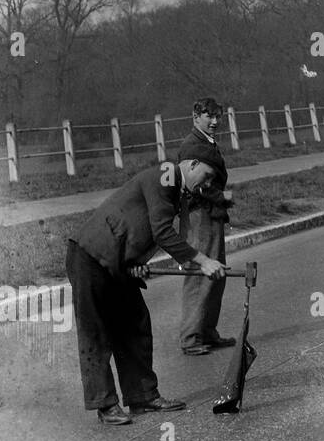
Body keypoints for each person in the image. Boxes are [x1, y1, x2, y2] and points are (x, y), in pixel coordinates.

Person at [66, 159, 228, 425]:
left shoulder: (175, 190)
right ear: (193, 164)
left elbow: (138, 227)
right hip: (90, 257)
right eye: (207, 176)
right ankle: (105, 405)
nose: (207, 183)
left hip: (116, 262)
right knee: (96, 333)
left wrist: (136, 263)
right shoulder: (167, 175)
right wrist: (204, 261)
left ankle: (142, 396)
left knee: (135, 323)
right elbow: (162, 231)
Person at [175, 98, 235, 355]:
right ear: (195, 116)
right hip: (199, 215)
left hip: (211, 215)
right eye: (209, 116)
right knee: (199, 275)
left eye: (217, 116)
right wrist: (223, 198)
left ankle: (207, 331)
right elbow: (193, 185)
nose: (214, 121)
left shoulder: (205, 142)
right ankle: (190, 338)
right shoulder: (192, 146)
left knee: (216, 273)